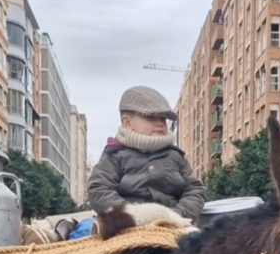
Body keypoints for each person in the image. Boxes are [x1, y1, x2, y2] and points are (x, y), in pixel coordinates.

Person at [87, 86, 206, 223]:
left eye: (163, 119)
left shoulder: (175, 156)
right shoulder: (115, 154)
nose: (160, 124)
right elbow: (99, 189)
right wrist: (130, 214)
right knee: (87, 228)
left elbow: (195, 189)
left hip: (172, 223)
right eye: (151, 117)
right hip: (127, 224)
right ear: (127, 123)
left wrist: (178, 214)